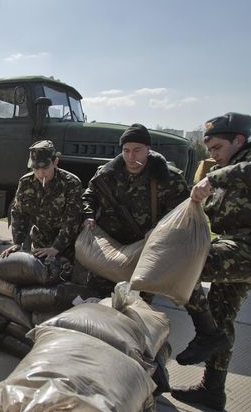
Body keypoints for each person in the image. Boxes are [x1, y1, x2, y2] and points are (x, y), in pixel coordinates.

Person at [171, 112, 251, 411]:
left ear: (238, 140)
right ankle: (213, 390)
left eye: (217, 148)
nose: (213, 155)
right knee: (220, 313)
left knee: (180, 266)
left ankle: (207, 334)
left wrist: (213, 178)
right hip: (238, 244)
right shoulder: (228, 166)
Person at [81, 123, 189, 296]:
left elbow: (181, 215)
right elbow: (89, 196)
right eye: (126, 150)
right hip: (108, 252)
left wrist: (158, 230)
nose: (131, 157)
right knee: (96, 304)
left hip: (143, 255)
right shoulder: (106, 174)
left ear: (148, 149)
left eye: (137, 150)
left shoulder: (168, 179)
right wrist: (88, 215)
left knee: (135, 309)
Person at [1, 140, 83, 269]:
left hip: (66, 246)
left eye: (45, 168)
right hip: (39, 243)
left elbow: (72, 219)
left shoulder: (71, 183)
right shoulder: (26, 182)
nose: (40, 173)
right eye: (36, 168)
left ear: (55, 162)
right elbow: (18, 213)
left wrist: (56, 248)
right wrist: (17, 242)